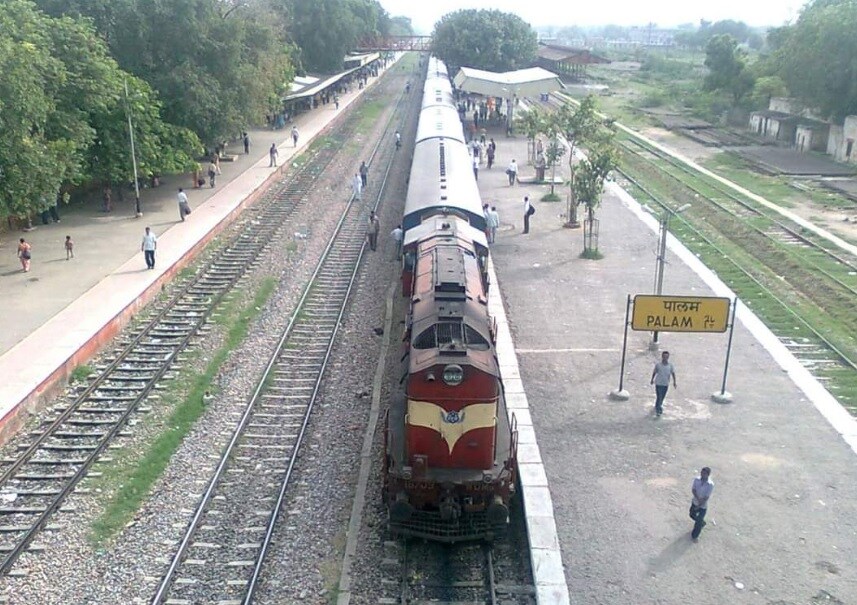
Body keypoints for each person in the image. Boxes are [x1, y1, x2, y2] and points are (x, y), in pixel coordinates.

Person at [689, 467, 714, 542]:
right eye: (701, 473)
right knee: (692, 515)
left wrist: (699, 505)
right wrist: (697, 498)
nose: (702, 475)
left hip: (703, 506)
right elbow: (693, 489)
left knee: (698, 521)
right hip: (695, 502)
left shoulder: (710, 484)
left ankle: (694, 536)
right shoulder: (697, 480)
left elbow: (706, 497)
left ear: (708, 475)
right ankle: (702, 523)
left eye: (704, 474)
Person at [650, 350, 677, 416]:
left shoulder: (670, 365)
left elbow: (673, 373)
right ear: (662, 357)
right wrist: (652, 380)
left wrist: (674, 382)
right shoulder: (658, 365)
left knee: (662, 397)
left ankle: (657, 406)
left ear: (668, 357)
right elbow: (655, 372)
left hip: (665, 384)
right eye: (664, 356)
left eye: (666, 357)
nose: (665, 358)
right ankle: (659, 410)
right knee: (659, 396)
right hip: (658, 383)